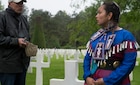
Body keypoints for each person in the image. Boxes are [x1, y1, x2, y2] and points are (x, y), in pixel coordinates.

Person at [83, 1, 139, 85]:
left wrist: (107, 80)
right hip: (93, 81)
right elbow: (87, 59)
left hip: (117, 81)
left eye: (99, 13)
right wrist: (87, 76)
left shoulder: (126, 36)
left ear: (109, 15)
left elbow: (128, 64)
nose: (96, 16)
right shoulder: (96, 36)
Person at [0, 0, 30, 85]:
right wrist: (16, 41)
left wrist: (28, 44)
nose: (20, 5)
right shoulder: (2, 17)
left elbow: (27, 36)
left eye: (22, 3)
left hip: (22, 64)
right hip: (7, 65)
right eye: (18, 3)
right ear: (10, 3)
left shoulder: (24, 19)